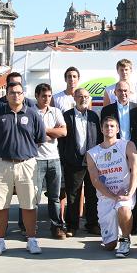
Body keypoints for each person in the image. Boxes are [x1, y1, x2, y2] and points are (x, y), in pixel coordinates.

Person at [0, 81, 47, 256]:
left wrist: (23, 152)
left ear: (23, 95)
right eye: (12, 93)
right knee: (0, 204)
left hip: (26, 164)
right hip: (1, 164)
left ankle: (32, 240)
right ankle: (0, 242)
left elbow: (39, 140)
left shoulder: (33, 114)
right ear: (7, 95)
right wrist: (6, 151)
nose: (16, 95)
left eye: (19, 92)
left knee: (29, 204)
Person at [86, 115, 137, 258]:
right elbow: (95, 181)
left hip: (124, 193)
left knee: (124, 207)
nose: (109, 128)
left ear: (117, 129)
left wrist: (130, 193)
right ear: (101, 129)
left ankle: (125, 240)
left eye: (112, 126)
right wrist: (113, 196)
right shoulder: (92, 153)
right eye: (106, 126)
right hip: (106, 197)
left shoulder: (128, 145)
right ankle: (113, 234)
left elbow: (136, 170)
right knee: (109, 246)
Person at [100, 81, 137, 232]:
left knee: (134, 185)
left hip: (132, 150)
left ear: (129, 92)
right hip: (115, 151)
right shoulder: (107, 110)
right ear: (115, 93)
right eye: (120, 90)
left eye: (126, 90)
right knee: (117, 184)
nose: (123, 93)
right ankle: (117, 222)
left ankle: (134, 224)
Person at [59, 88, 102, 236]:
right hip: (73, 162)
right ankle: (72, 226)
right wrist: (65, 158)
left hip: (92, 162)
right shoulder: (67, 116)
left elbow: (98, 138)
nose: (83, 99)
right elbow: (62, 141)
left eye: (86, 96)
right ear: (74, 98)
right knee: (73, 195)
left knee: (92, 194)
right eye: (80, 96)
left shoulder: (94, 116)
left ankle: (92, 224)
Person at [34, 83, 68, 239]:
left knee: (55, 196)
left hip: (54, 159)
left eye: (49, 96)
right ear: (37, 96)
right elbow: (30, 135)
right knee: (33, 197)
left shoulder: (56, 111)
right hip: (36, 160)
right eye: (43, 96)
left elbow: (63, 132)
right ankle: (28, 227)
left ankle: (56, 227)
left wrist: (42, 131)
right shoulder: (30, 112)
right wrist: (53, 132)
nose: (46, 99)